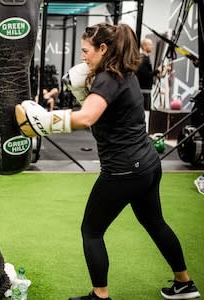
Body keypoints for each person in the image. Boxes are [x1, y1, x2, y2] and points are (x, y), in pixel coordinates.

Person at [15, 23, 200, 300]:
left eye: (86, 51)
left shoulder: (107, 79)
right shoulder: (125, 73)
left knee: (91, 231)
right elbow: (101, 117)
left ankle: (100, 296)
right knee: (155, 223)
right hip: (148, 164)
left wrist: (45, 121)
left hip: (124, 170)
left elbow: (86, 118)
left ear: (103, 49)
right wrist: (84, 94)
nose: (83, 57)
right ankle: (184, 283)